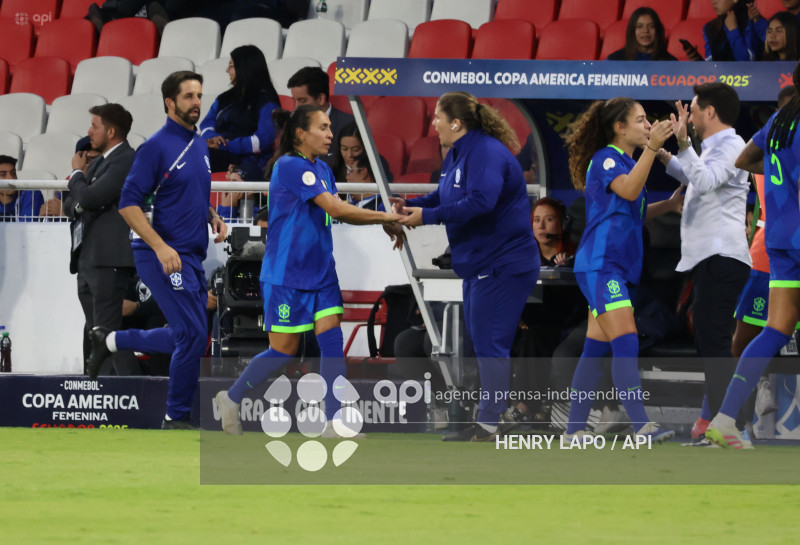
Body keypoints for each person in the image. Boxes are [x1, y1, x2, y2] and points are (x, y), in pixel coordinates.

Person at [214, 105, 402, 436]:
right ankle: (231, 398)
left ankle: (333, 420)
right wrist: (384, 217)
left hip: (321, 272)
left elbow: (338, 212)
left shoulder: (324, 170)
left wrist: (382, 222)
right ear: (301, 133)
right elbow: (334, 207)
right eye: (323, 128)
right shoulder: (288, 166)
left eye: (330, 127)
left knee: (331, 341)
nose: (331, 134)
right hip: (286, 274)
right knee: (282, 352)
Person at [392, 91, 540, 442]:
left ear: (456, 123)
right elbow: (447, 196)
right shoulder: (459, 153)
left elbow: (480, 202)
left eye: (438, 118)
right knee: (481, 344)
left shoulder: (486, 153)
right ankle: (487, 419)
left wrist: (425, 216)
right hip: (480, 265)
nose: (433, 124)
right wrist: (411, 204)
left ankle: (490, 424)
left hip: (504, 263)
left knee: (491, 345)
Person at [86, 71, 228, 430]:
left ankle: (112, 339)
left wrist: (212, 214)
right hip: (161, 255)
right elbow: (129, 205)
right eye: (188, 97)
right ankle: (175, 416)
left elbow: (183, 193)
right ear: (170, 103)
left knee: (190, 333)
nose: (197, 102)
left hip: (191, 254)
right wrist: (162, 246)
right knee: (193, 334)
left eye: (199, 95)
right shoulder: (155, 146)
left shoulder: (198, 143)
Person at [561, 97, 679, 443]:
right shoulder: (607, 158)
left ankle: (574, 431)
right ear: (619, 127)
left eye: (648, 121)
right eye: (641, 120)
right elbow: (629, 191)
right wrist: (653, 148)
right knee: (626, 340)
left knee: (595, 348)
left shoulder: (626, 161)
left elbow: (634, 212)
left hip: (614, 266)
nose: (647, 126)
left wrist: (670, 205)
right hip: (601, 265)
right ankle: (642, 426)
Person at [706, 63, 800, 449]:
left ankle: (724, 419)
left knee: (775, 331)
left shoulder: (783, 119)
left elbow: (744, 160)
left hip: (777, 237)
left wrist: (784, 174)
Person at [655, 82, 751, 440]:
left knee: (715, 345)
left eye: (693, 110)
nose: (689, 117)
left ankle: (735, 427)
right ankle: (727, 425)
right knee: (710, 345)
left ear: (710, 112)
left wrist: (681, 143)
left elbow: (706, 180)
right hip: (709, 258)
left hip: (722, 256)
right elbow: (694, 177)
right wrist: (665, 154)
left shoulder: (733, 145)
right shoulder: (714, 148)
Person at [62, 104, 138, 377]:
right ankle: (107, 397)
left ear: (112, 131)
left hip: (108, 260)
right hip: (88, 259)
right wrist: (85, 197)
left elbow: (90, 197)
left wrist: (76, 175)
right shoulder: (104, 162)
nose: (89, 131)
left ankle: (130, 394)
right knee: (99, 334)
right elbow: (73, 204)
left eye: (94, 126)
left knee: (107, 334)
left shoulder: (126, 159)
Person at [199, 45, 280, 181]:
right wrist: (213, 137)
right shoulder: (224, 98)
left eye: (231, 66)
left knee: (198, 156)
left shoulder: (267, 101)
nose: (227, 71)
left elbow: (261, 142)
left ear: (244, 68)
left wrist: (224, 145)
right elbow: (207, 123)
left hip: (250, 163)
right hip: (219, 153)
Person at [287, 66, 355, 168]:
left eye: (302, 100)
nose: (296, 107)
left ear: (320, 99)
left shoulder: (349, 125)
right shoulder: (293, 126)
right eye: (294, 100)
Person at [606, 7, 677, 61]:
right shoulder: (615, 60)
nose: (646, 31)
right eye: (639, 27)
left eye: (651, 26)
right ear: (632, 31)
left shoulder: (670, 62)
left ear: (657, 30)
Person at [0, 156, 43, 222]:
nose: (11, 178)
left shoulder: (31, 195)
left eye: (13, 173)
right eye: (3, 174)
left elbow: (25, 227)